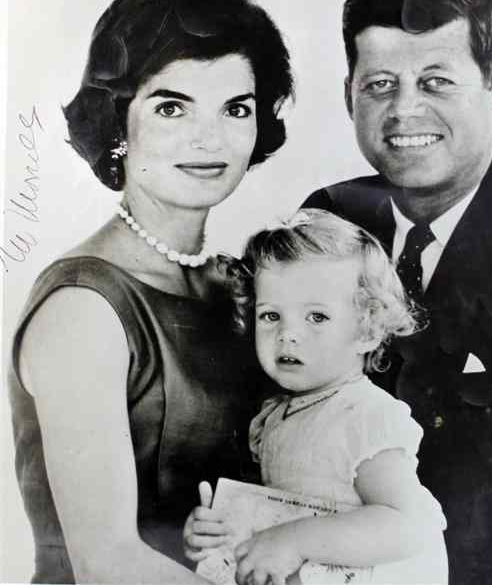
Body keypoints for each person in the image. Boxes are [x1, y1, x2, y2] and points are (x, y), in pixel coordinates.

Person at [8, 0, 293, 584]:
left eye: (235, 108)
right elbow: (107, 565)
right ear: (117, 124)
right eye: (172, 106)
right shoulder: (84, 308)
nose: (209, 137)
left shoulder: (239, 285)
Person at [302, 0, 492, 585]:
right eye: (380, 84)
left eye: (436, 82)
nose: (403, 110)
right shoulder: (329, 218)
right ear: (348, 95)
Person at [184, 209, 448, 585]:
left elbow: (406, 524)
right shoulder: (276, 416)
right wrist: (220, 529)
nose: (287, 334)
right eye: (271, 315)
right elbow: (277, 513)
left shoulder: (365, 416)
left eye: (317, 317)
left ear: (368, 330)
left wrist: (292, 541)